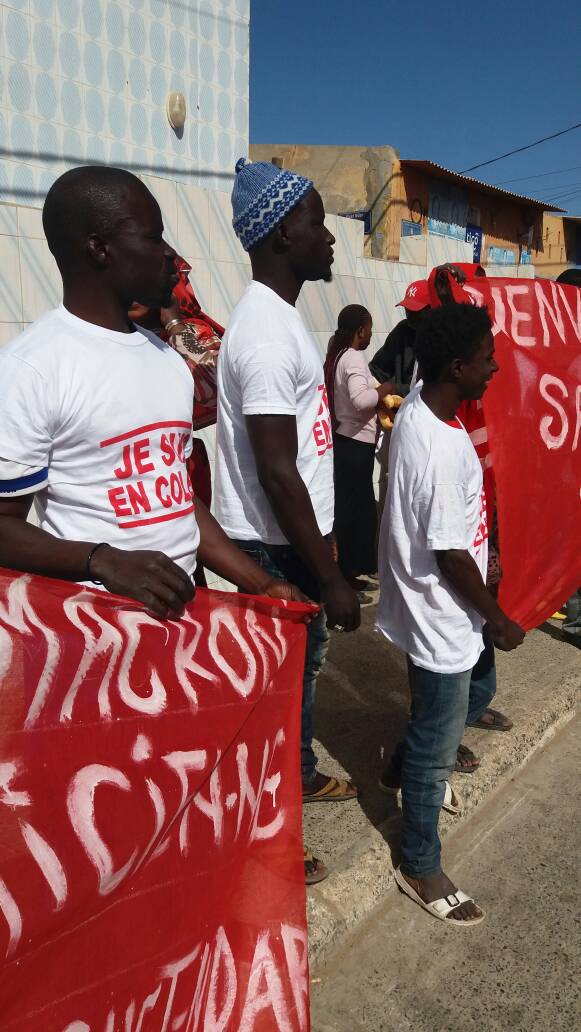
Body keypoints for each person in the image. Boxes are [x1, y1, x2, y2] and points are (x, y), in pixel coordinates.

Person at [0, 166, 306, 624]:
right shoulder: (31, 368)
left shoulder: (167, 362)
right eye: (153, 237)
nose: (170, 256)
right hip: (91, 634)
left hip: (178, 628)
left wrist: (258, 582)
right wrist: (101, 561)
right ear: (99, 248)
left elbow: (176, 497)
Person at [214, 158, 361, 881]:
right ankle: (268, 837)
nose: (329, 239)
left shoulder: (281, 318)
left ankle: (297, 777)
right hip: (272, 549)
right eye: (314, 225)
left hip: (296, 539)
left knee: (298, 684)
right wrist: (329, 575)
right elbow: (276, 467)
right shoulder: (266, 336)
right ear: (278, 236)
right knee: (270, 697)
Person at [377, 303, 525, 925]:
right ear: (458, 367)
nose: (494, 368)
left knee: (437, 712)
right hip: (443, 618)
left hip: (430, 609)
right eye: (487, 359)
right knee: (441, 738)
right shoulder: (437, 446)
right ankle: (419, 860)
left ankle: (400, 767)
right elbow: (446, 552)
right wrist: (495, 617)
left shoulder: (423, 402)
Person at [129, 254, 224, 584]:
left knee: (187, 566)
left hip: (180, 470)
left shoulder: (191, 332)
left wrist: (173, 326)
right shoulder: (119, 333)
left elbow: (217, 385)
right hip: (131, 482)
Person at [324, 304, 393, 597]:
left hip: (349, 444)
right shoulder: (352, 357)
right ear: (360, 330)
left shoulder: (338, 354)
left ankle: (348, 574)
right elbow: (361, 401)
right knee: (353, 515)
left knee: (353, 512)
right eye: (369, 328)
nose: (371, 334)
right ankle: (343, 578)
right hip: (353, 445)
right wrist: (384, 389)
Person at [369, 279, 431, 393]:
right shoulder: (402, 330)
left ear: (431, 309)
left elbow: (429, 388)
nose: (409, 315)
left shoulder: (440, 338)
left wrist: (395, 389)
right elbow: (378, 369)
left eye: (415, 311)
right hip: (399, 407)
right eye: (407, 309)